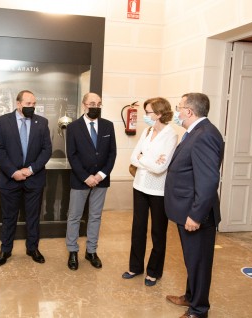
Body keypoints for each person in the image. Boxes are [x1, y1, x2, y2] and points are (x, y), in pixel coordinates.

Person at [165, 93, 224, 318]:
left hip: (195, 213)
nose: (177, 112)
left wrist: (196, 215)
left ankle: (198, 311)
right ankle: (190, 296)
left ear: (189, 112)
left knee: (199, 263)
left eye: (179, 108)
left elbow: (208, 180)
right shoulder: (196, 132)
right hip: (186, 209)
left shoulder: (204, 135)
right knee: (193, 260)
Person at [122, 97, 178, 286]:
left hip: (158, 190)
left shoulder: (171, 135)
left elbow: (160, 168)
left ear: (160, 114)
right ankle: (135, 267)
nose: (145, 116)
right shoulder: (147, 131)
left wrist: (143, 159)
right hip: (139, 185)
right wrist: (147, 160)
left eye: (148, 113)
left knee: (158, 231)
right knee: (138, 228)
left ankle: (154, 271)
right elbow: (133, 157)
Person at [0, 90, 52, 266]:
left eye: (34, 104)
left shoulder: (42, 123)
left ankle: (32, 248)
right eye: (28, 104)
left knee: (33, 216)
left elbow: (46, 150)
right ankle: (5, 249)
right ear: (18, 104)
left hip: (34, 179)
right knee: (8, 216)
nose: (31, 107)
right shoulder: (3, 122)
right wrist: (13, 171)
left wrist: (31, 170)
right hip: (10, 179)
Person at [65, 92, 116, 270]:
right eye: (92, 103)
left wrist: (100, 175)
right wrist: (86, 177)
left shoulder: (108, 126)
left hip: (101, 180)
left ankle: (91, 251)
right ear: (84, 105)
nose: (95, 107)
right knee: (74, 216)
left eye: (99, 104)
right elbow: (72, 155)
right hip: (81, 180)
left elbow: (112, 154)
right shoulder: (73, 127)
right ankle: (72, 251)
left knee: (95, 216)